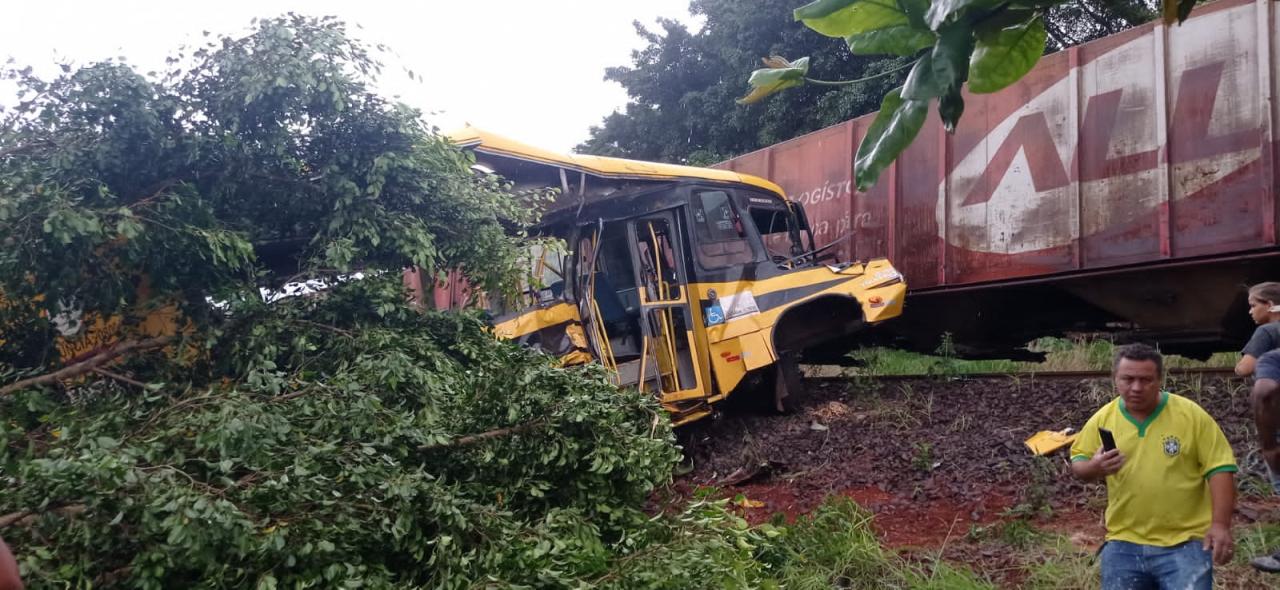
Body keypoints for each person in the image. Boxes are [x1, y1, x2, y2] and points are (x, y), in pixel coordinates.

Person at [1070, 343, 1236, 589]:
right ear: (1115, 379)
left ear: (1160, 379)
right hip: (1123, 542)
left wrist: (1220, 525)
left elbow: (1220, 468)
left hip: (1186, 542)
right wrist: (1095, 467)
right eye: (1128, 379)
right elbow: (1078, 464)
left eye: (1146, 380)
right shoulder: (1104, 418)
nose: (1136, 387)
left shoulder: (1190, 415)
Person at [1233, 281, 1280, 572]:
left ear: (1271, 305)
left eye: (1253, 305)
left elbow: (1246, 369)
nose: (1250, 311)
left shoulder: (1267, 331)